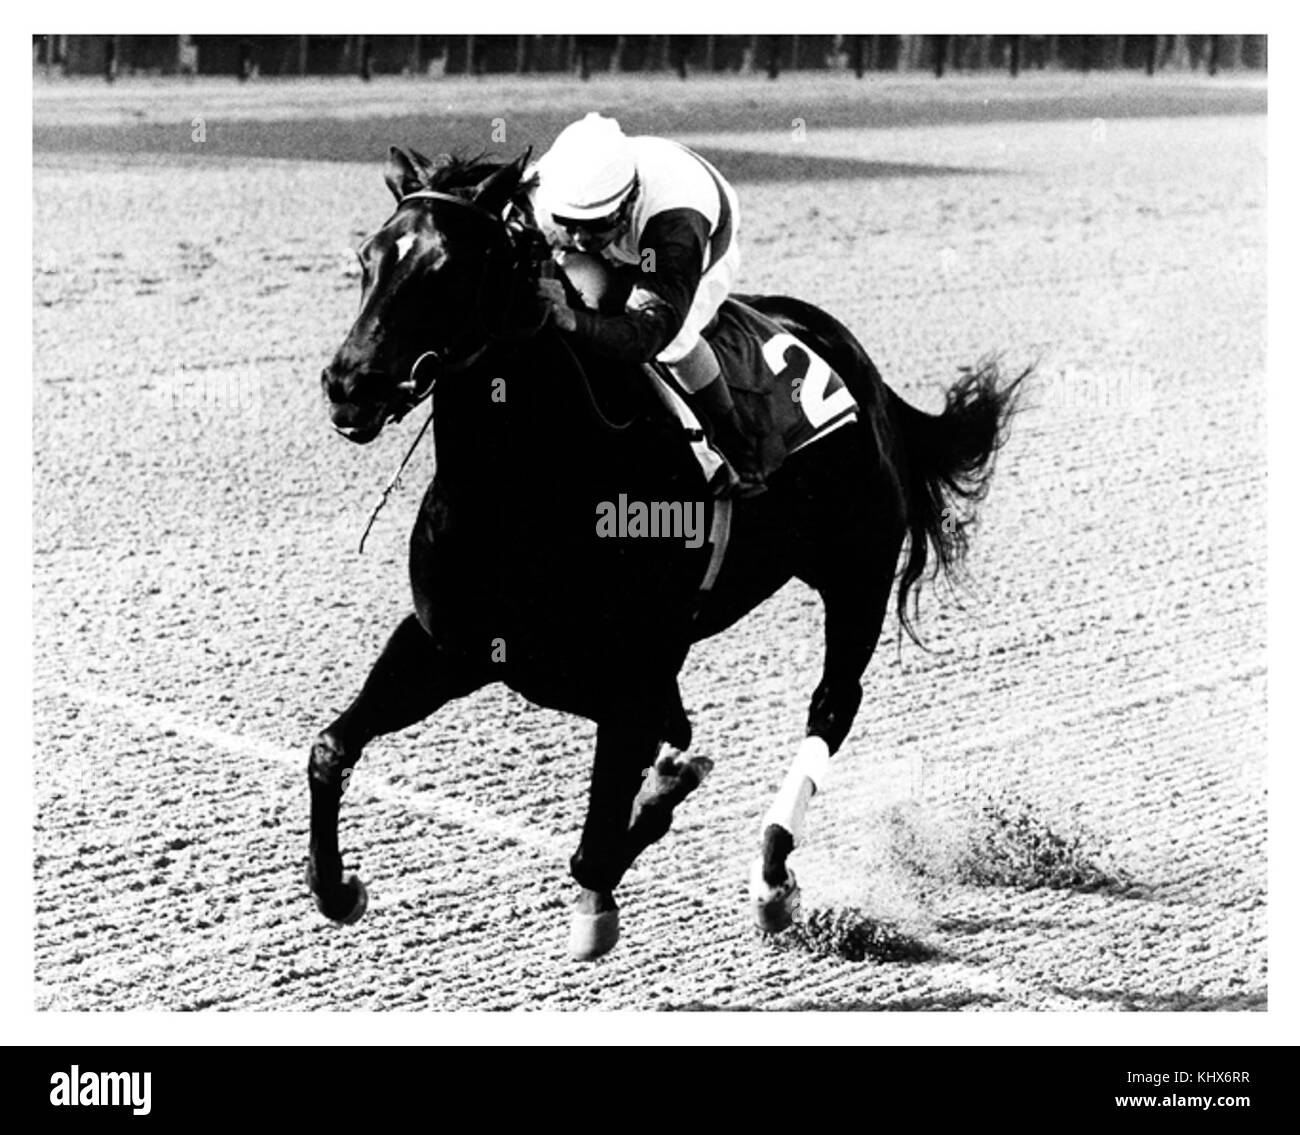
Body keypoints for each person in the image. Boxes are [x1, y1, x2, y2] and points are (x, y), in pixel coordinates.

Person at [529, 112, 764, 496]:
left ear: (628, 200)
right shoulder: (553, 187)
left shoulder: (676, 226)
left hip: (685, 246)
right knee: (592, 299)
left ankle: (736, 447)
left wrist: (572, 320)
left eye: (595, 224)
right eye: (569, 222)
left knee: (674, 343)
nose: (579, 237)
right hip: (630, 232)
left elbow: (647, 334)